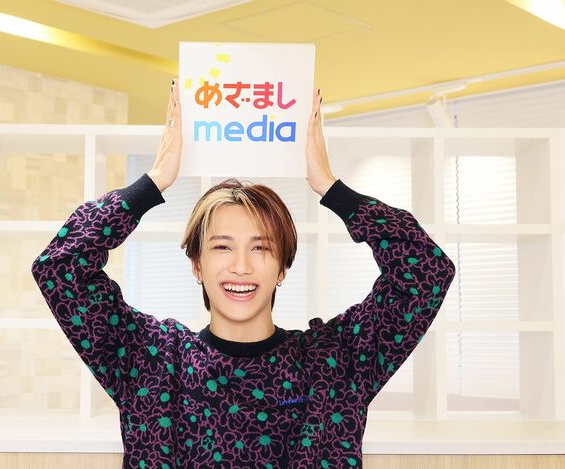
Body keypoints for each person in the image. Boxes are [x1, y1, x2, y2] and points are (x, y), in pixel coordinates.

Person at [31, 78, 456, 468]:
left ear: (283, 267)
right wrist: (155, 180)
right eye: (222, 246)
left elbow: (427, 270)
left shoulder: (334, 363)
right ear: (197, 264)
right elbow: (60, 268)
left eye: (261, 248)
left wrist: (331, 187)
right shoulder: (151, 361)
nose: (240, 266)